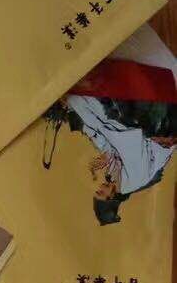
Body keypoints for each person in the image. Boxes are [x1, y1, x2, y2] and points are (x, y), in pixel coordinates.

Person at [62, 93, 177, 224]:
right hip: (162, 132)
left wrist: (106, 152)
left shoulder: (113, 178)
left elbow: (113, 145)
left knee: (94, 122)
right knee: (100, 120)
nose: (99, 188)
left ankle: (75, 105)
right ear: (111, 198)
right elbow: (131, 141)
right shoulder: (133, 181)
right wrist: (108, 148)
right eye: (101, 193)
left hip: (139, 133)